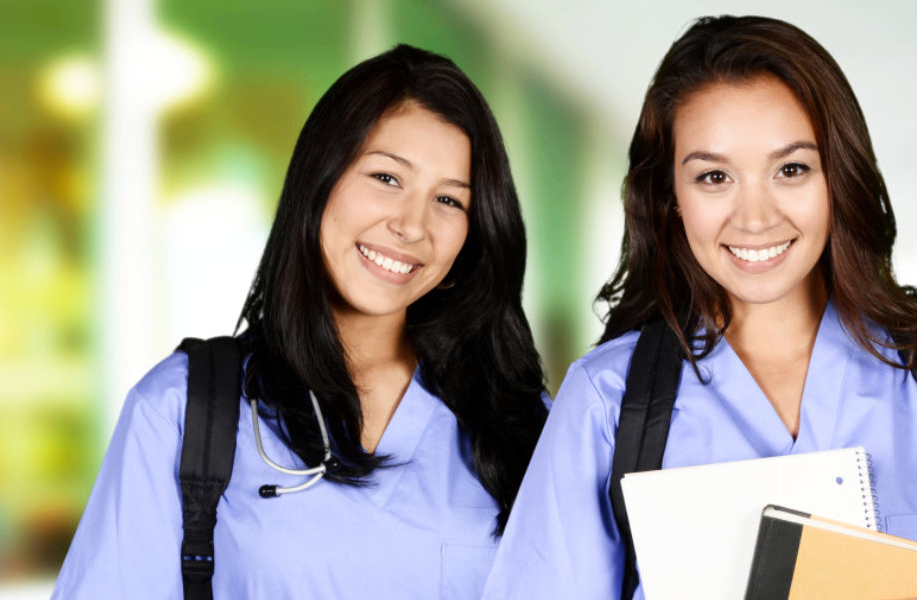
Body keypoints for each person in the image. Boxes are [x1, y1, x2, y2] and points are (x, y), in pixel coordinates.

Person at [483, 15, 917, 600]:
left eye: (790, 169)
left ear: (838, 177)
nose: (755, 218)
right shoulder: (608, 402)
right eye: (714, 176)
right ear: (670, 197)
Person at [53, 44, 548, 598]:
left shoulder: (522, 424)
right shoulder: (183, 411)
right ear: (320, 177)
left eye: (450, 201)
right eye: (386, 178)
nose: (412, 225)